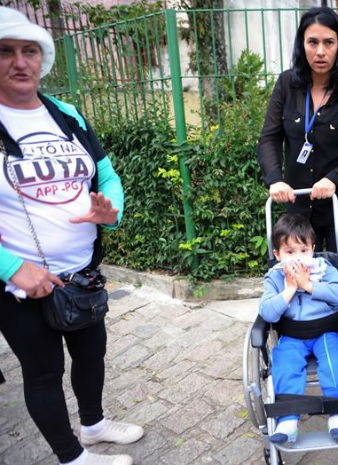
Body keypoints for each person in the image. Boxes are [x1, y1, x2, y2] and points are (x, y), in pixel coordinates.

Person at [0, 7, 143, 465]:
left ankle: (94, 423)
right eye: (5, 52)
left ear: (42, 60)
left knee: (91, 354)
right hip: (21, 285)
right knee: (43, 373)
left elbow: (106, 175)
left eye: (29, 52)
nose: (20, 62)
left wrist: (111, 209)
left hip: (81, 274)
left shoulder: (65, 114)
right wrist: (12, 268)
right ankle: (72, 458)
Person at [257, 6, 338, 290]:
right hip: (297, 200)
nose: (320, 51)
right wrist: (275, 179)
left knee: (337, 270)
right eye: (313, 42)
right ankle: (300, 327)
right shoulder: (287, 84)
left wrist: (333, 179)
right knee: (294, 267)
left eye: (328, 42)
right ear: (302, 45)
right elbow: (269, 137)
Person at [259, 213, 338, 444]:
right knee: (284, 364)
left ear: (313, 249)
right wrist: (289, 290)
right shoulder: (274, 278)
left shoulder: (324, 269)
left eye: (303, 250)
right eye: (290, 253)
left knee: (333, 362)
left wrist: (309, 286)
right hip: (293, 335)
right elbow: (267, 313)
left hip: (325, 332)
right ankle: (288, 419)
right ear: (277, 255)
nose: (298, 258)